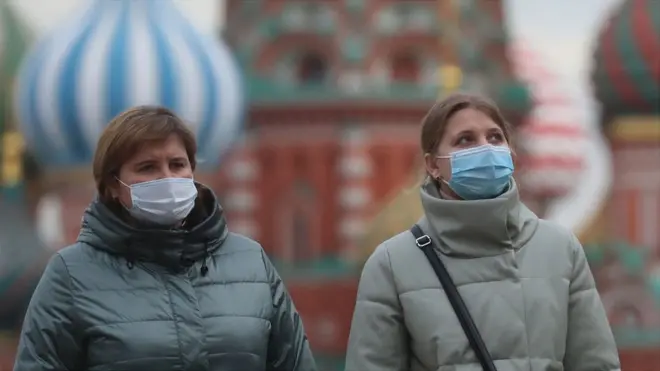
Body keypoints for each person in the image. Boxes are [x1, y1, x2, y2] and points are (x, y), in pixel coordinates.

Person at [13, 106, 317, 371]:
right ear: (112, 186)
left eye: (177, 164)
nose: (167, 178)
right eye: (147, 167)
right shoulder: (72, 274)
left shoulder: (250, 263)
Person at [345, 93, 620, 371]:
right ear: (432, 164)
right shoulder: (393, 264)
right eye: (465, 139)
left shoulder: (560, 249)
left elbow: (595, 363)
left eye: (495, 137)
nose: (485, 149)